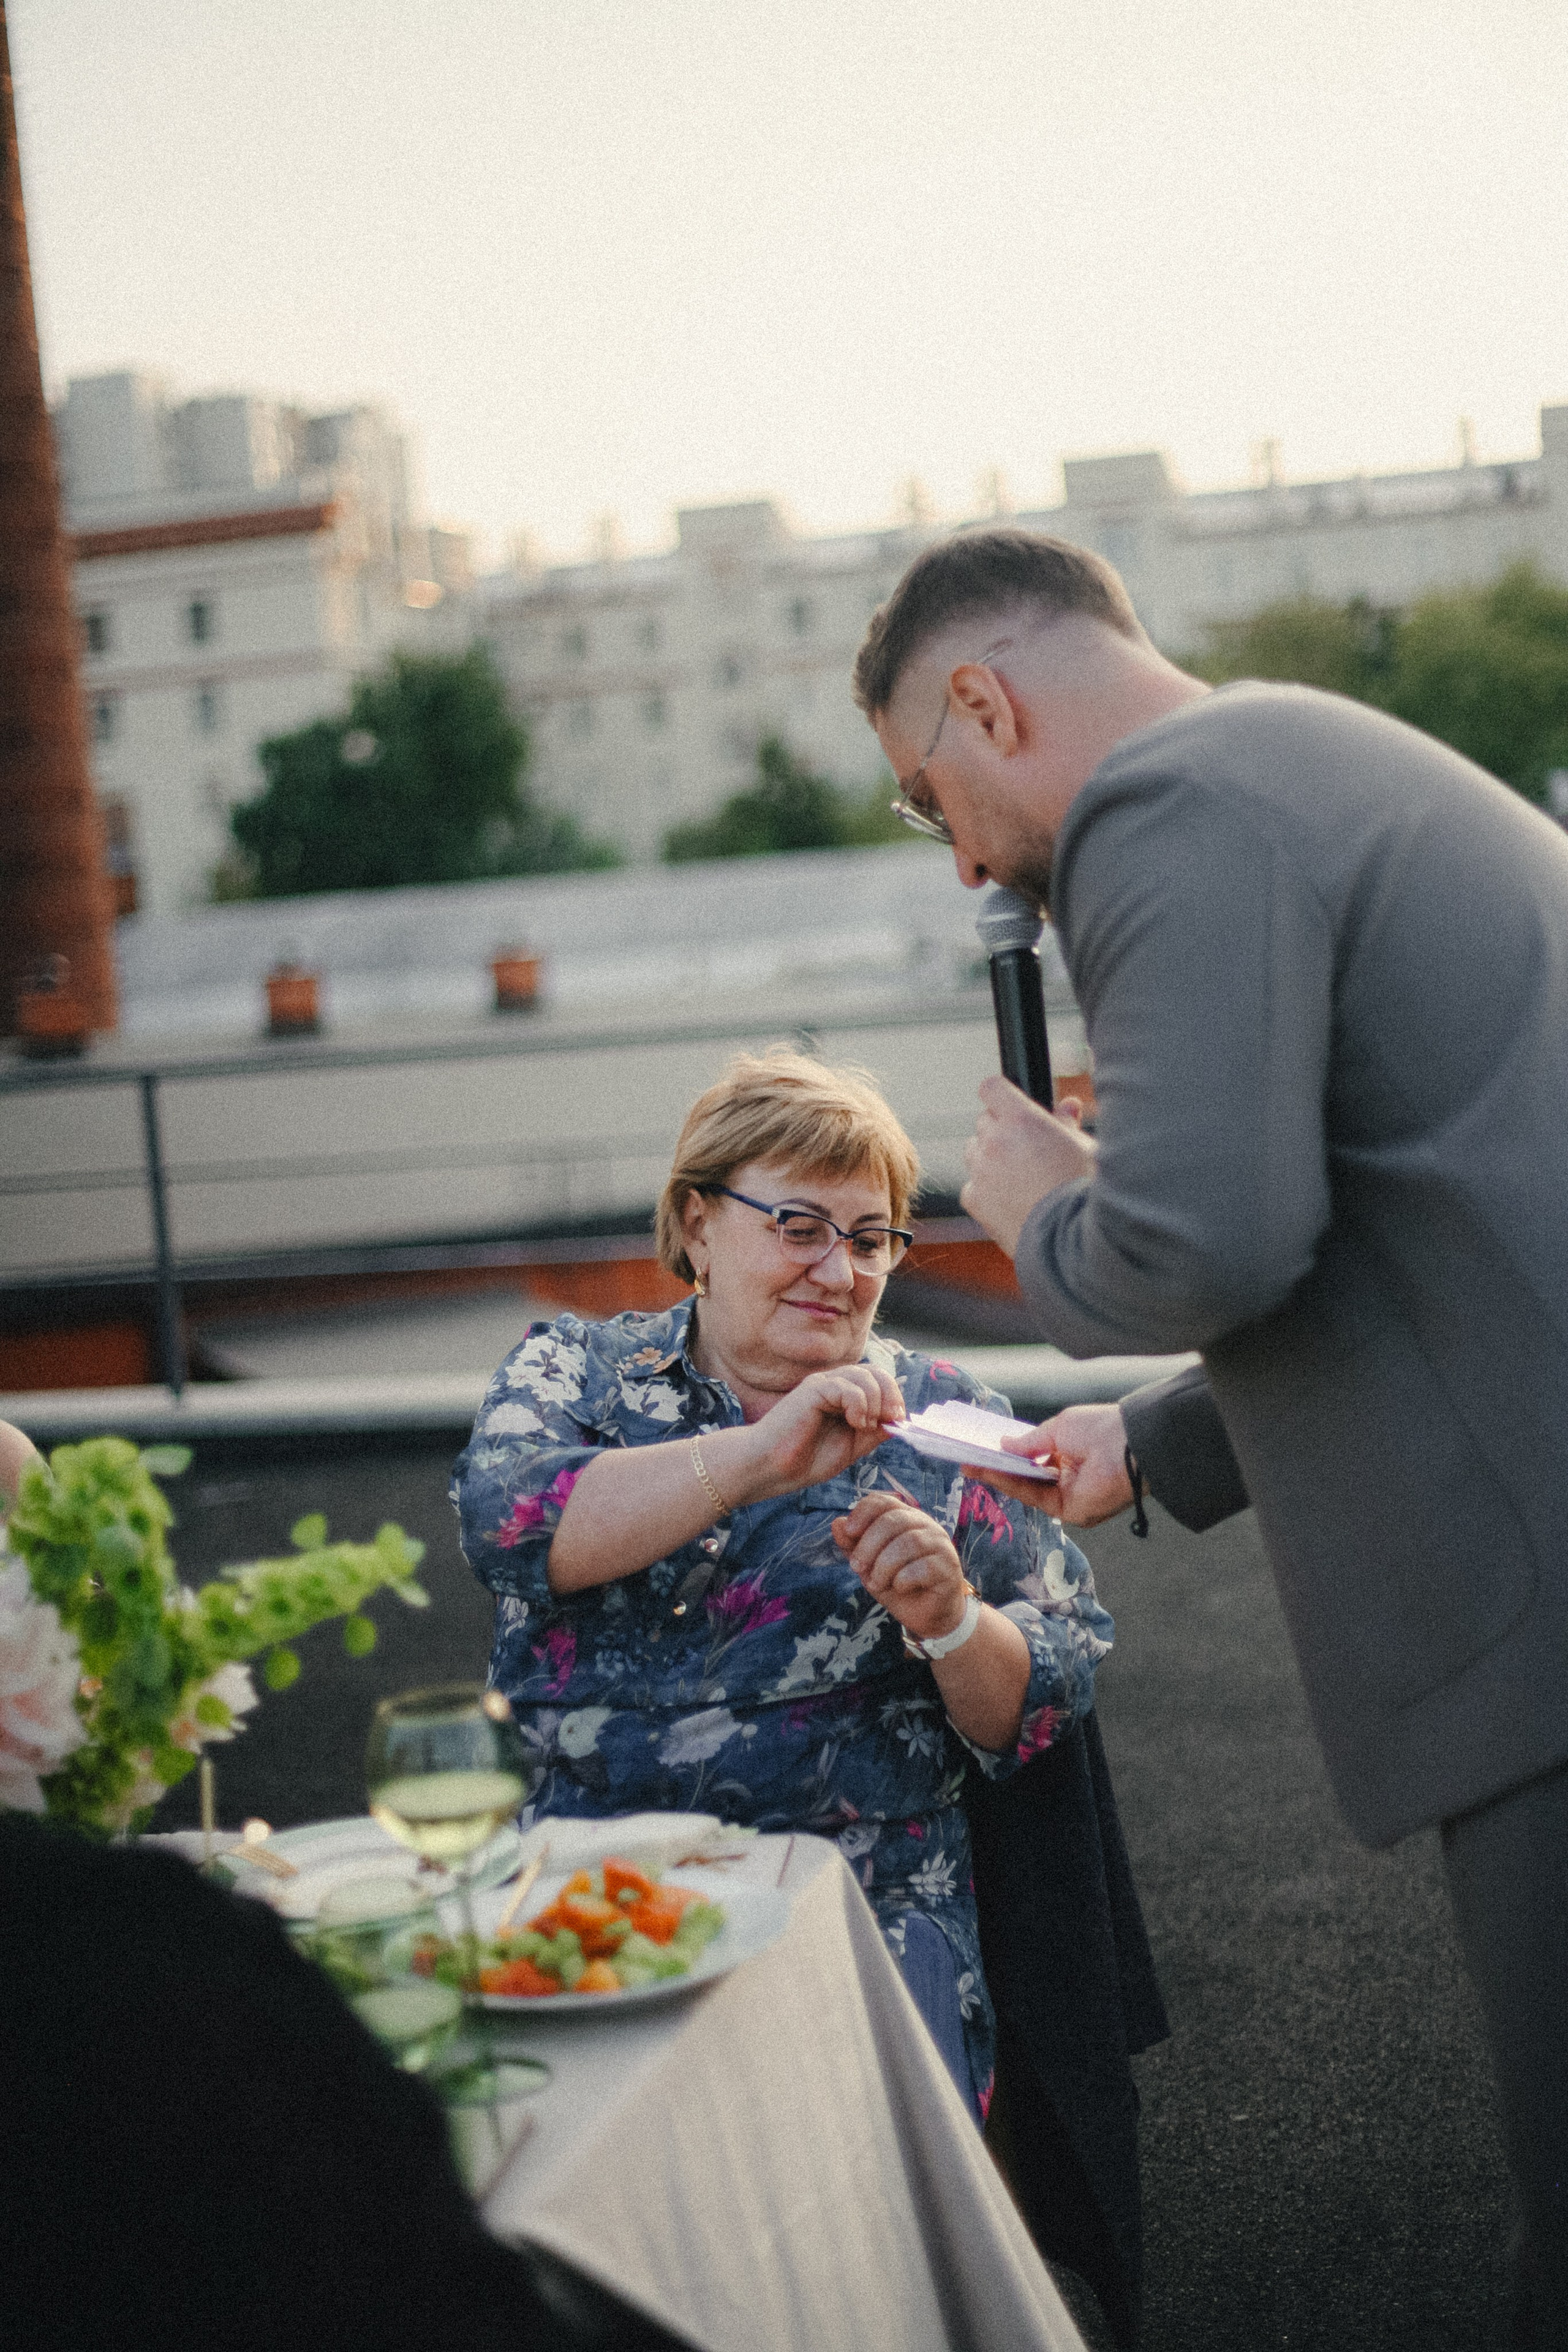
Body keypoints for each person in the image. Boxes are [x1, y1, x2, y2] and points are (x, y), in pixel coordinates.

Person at [853, 526, 1568, 2346]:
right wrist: (1155, 1447)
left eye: (932, 795)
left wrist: (1041, 1209)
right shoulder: (1286, 757)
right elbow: (1399, 1234)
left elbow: (1207, 1245)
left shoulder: (1167, 809)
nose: (962, 858)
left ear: (983, 701)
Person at [452, 1050, 1166, 2340]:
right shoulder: (577, 1378)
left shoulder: (941, 1421)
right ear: (692, 1225)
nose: (838, 1272)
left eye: (871, 1236)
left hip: (854, 1927)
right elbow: (510, 1522)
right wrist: (758, 1455)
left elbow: (1053, 1686)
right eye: (795, 1226)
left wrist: (953, 1624)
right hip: (587, 1901)